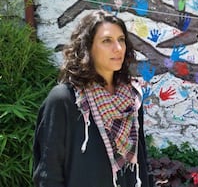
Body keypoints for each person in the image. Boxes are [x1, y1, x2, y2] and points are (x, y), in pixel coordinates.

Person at [33, 10, 152, 187]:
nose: (118, 48)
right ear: (87, 47)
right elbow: (48, 174)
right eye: (107, 41)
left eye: (121, 40)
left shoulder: (132, 97)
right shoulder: (65, 100)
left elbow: (141, 161)